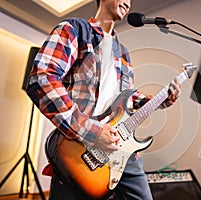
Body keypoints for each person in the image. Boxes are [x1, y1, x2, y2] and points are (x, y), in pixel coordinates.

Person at [26, 0, 181, 199]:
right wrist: (92, 131)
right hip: (78, 149)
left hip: (121, 149)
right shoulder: (74, 29)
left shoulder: (123, 53)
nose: (128, 1)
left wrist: (160, 100)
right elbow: (42, 78)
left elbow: (126, 99)